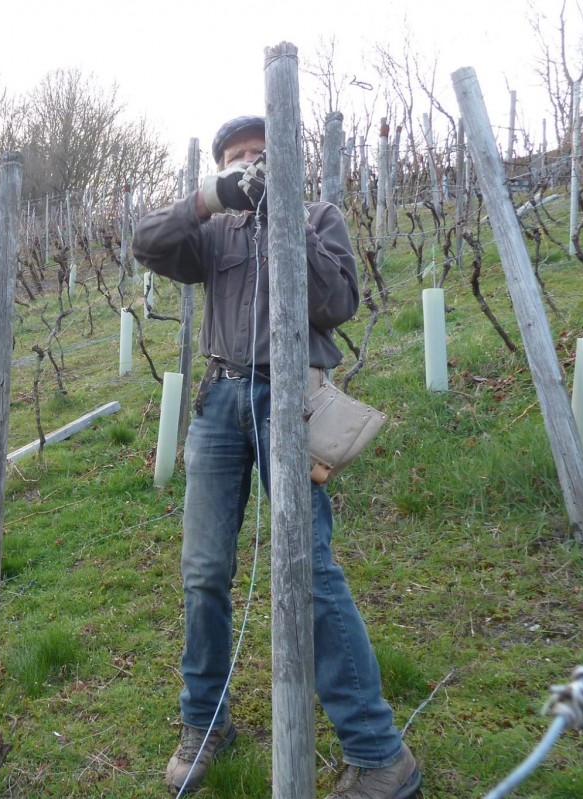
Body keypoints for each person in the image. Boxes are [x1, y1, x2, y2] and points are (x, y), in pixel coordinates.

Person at [132, 115, 421, 799]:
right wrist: (209, 198)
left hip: (291, 400)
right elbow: (146, 243)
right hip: (219, 403)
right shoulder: (212, 232)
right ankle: (205, 723)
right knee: (204, 570)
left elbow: (338, 302)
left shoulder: (318, 216)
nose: (249, 166)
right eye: (236, 159)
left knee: (307, 568)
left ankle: (380, 753)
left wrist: (281, 217)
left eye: (259, 156)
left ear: (285, 160)